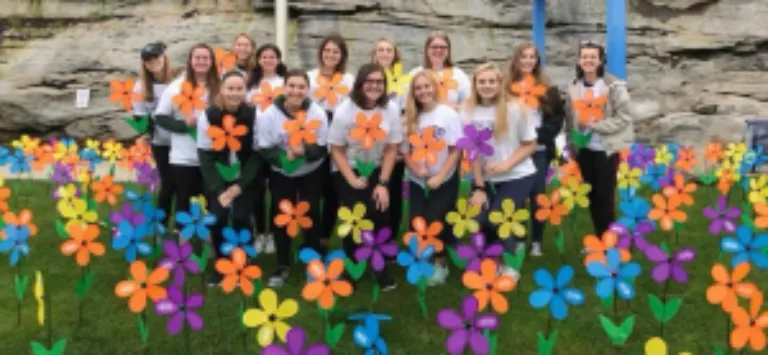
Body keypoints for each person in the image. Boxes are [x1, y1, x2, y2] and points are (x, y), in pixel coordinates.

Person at [328, 63, 400, 291]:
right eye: (369, 81)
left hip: (378, 166)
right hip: (348, 167)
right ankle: (353, 264)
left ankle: (379, 265)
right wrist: (350, 179)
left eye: (379, 81)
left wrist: (383, 183)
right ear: (360, 83)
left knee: (380, 212)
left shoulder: (391, 109)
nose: (374, 86)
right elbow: (336, 149)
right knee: (355, 216)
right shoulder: (345, 110)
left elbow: (391, 147)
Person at [257, 69, 330, 288]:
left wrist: (304, 152)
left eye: (301, 87)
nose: (296, 91)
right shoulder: (270, 113)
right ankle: (282, 265)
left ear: (307, 90)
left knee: (310, 213)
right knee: (282, 215)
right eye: (292, 86)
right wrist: (283, 158)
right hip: (282, 173)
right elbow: (265, 148)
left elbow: (321, 148)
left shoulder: (317, 113)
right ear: (284, 88)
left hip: (311, 171)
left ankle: (312, 260)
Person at [465, 63, 536, 280]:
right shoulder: (468, 111)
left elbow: (530, 144)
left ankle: (510, 265)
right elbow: (472, 151)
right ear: (475, 85)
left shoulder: (515, 108)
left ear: (500, 84)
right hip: (485, 177)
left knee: (499, 219)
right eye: (481, 81)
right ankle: (491, 261)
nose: (486, 86)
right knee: (479, 218)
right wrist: (479, 186)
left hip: (517, 174)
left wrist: (506, 165)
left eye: (491, 81)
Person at [196, 71, 264, 285]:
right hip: (218, 179)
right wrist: (219, 190)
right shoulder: (208, 116)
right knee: (217, 216)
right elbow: (205, 156)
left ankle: (244, 261)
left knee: (242, 215)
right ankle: (222, 262)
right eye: (230, 88)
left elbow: (256, 155)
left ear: (245, 91)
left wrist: (240, 186)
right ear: (222, 90)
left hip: (246, 178)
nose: (235, 93)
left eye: (239, 88)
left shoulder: (255, 115)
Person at [564, 41, 634, 238]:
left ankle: (610, 242)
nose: (588, 60)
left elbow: (624, 117)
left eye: (593, 57)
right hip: (584, 150)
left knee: (605, 198)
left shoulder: (614, 86)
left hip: (606, 149)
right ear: (579, 60)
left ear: (601, 60)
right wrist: (571, 145)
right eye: (585, 57)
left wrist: (598, 125)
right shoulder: (573, 86)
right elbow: (570, 119)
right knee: (592, 196)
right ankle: (600, 240)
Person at [401, 70, 462, 286]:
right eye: (418, 88)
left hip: (444, 177)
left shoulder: (448, 114)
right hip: (418, 179)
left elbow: (456, 149)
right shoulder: (410, 117)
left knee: (437, 220)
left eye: (427, 86)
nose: (423, 91)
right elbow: (405, 151)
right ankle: (421, 260)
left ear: (434, 88)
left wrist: (441, 175)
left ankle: (440, 263)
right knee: (417, 221)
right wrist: (416, 170)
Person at [507, 42, 565, 257]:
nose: (528, 61)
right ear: (516, 59)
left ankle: (537, 241)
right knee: (517, 196)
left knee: (538, 196)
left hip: (538, 150)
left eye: (532, 57)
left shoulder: (547, 88)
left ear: (537, 61)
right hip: (514, 150)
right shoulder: (507, 86)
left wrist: (536, 137)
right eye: (523, 56)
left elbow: (557, 118)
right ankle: (520, 238)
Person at [154, 43, 220, 217]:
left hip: (213, 156)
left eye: (206, 58)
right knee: (184, 199)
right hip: (184, 156)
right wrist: (183, 126)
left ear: (212, 62)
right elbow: (160, 117)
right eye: (197, 57)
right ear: (190, 61)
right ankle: (182, 240)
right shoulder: (176, 87)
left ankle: (208, 240)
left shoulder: (219, 86)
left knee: (211, 200)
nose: (201, 61)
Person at [307, 34, 355, 246]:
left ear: (342, 55)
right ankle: (312, 236)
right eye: (327, 51)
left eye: (335, 51)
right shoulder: (310, 77)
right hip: (314, 138)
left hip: (340, 141)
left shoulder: (349, 80)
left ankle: (325, 236)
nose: (331, 55)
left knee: (334, 193)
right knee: (313, 191)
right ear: (321, 53)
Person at [246, 43, 288, 254]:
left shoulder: (284, 83)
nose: (268, 60)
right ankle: (260, 232)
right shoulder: (251, 84)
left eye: (272, 57)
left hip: (277, 146)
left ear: (278, 60)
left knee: (276, 191)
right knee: (257, 191)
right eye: (264, 57)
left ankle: (272, 234)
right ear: (258, 60)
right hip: (255, 145)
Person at [132, 42, 176, 228]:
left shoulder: (178, 80)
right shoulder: (140, 87)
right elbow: (140, 117)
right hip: (160, 141)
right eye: (148, 60)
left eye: (156, 57)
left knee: (185, 182)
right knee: (168, 182)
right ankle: (162, 223)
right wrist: (147, 133)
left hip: (182, 139)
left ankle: (187, 222)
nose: (153, 62)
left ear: (164, 57)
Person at [371, 37, 408, 238]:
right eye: (381, 50)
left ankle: (390, 237)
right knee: (373, 190)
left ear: (395, 54)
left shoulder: (404, 79)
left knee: (394, 191)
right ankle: (372, 235)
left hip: (395, 142)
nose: (385, 53)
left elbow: (408, 112)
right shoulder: (367, 77)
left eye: (389, 50)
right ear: (374, 54)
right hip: (372, 144)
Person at [408, 31, 471, 109]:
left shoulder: (458, 75)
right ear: (427, 50)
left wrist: (456, 107)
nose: (439, 50)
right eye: (434, 47)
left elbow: (470, 102)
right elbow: (407, 103)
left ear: (448, 50)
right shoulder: (415, 74)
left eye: (443, 47)